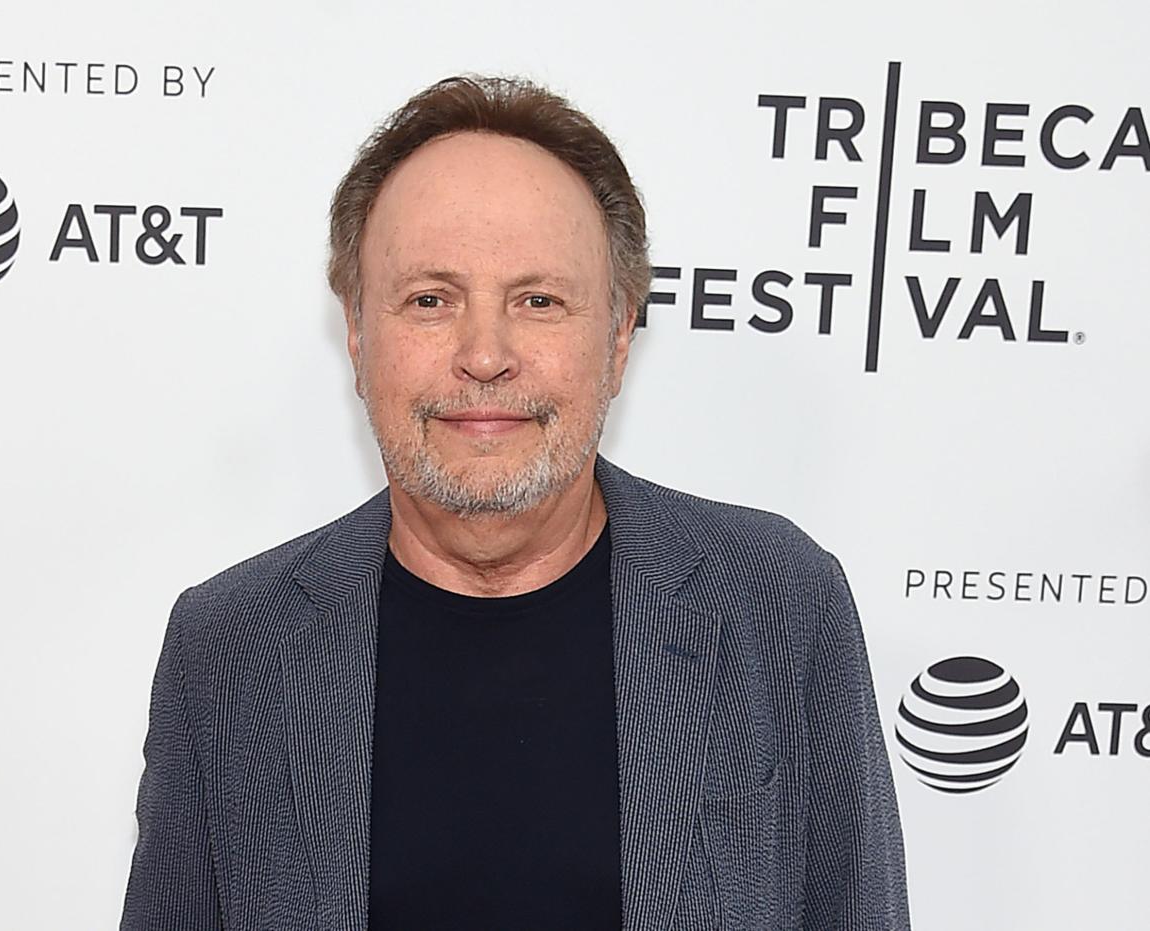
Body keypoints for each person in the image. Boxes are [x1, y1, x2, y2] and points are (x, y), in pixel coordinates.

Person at [120, 74, 910, 931]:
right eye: (431, 300)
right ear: (356, 335)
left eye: (538, 301)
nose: (485, 355)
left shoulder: (780, 602)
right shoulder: (228, 645)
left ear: (615, 338)